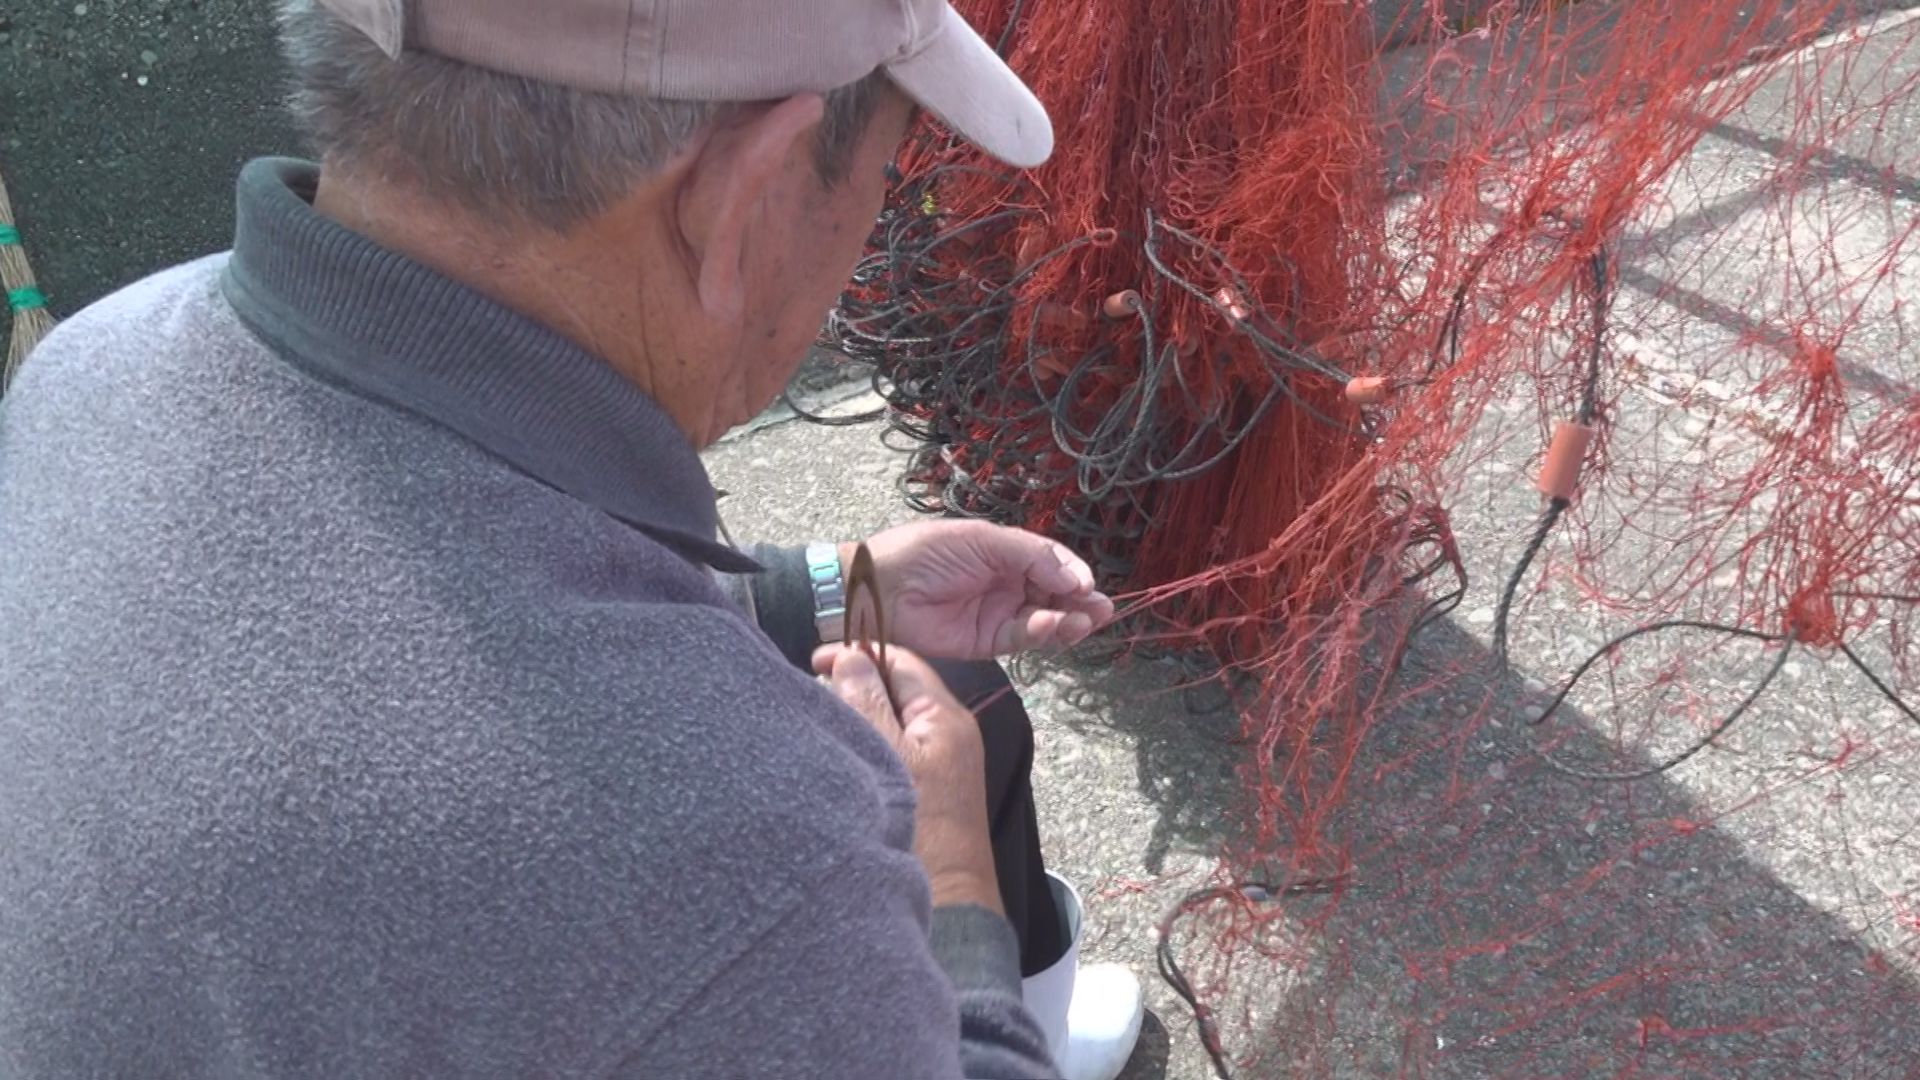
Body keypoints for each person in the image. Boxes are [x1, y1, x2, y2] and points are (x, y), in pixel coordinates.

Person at [0, 0, 1146, 1078]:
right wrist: (953, 893)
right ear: (738, 196)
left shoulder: (98, 362)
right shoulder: (746, 870)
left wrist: (826, 591)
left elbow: (409, 597)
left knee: (948, 677)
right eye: (883, 179)